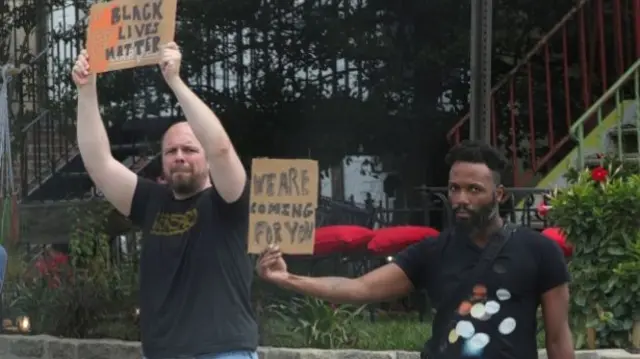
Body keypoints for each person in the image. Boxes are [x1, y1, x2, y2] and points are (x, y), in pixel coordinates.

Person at [257, 141, 574, 359]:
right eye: (454, 188)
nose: (461, 198)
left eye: (474, 189)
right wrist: (287, 280)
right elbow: (359, 288)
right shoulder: (432, 252)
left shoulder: (540, 251)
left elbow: (558, 338)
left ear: (499, 194)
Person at [72, 43, 258, 359]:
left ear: (207, 158)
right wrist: (86, 90)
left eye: (189, 149)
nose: (179, 157)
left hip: (222, 352)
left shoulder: (229, 200)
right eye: (171, 152)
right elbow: (98, 164)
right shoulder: (151, 201)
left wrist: (175, 81)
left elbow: (222, 149)